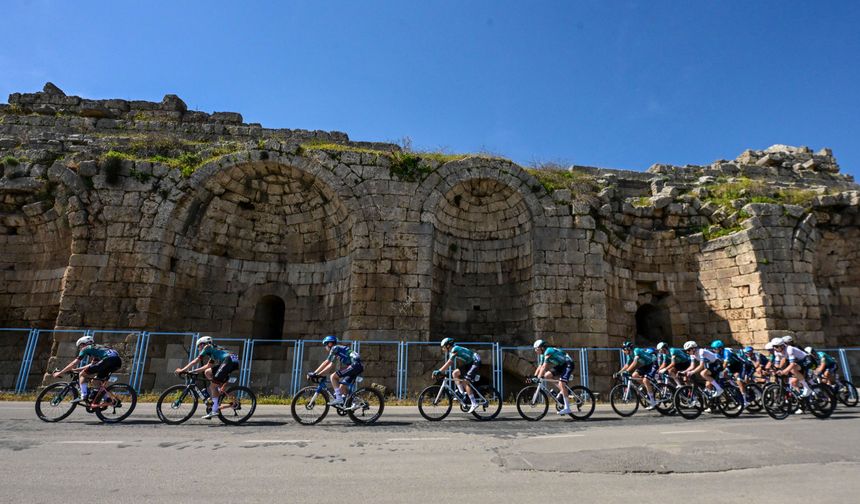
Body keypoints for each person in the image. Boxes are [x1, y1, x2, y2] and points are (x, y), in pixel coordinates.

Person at [175, 336, 241, 419]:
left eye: (198, 346)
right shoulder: (213, 351)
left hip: (229, 360)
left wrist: (182, 370)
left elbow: (196, 360)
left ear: (203, 344)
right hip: (231, 360)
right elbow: (207, 366)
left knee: (213, 385)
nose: (198, 349)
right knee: (208, 372)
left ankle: (214, 410)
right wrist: (192, 371)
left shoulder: (207, 347)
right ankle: (232, 400)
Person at [53, 335, 122, 406]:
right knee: (96, 381)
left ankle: (84, 395)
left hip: (108, 360)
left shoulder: (86, 348)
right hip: (117, 362)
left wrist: (60, 372)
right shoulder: (97, 349)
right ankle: (108, 400)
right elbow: (91, 365)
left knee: (82, 374)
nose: (80, 349)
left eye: (80, 346)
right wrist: (75, 369)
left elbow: (74, 363)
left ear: (83, 344)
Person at [308, 335, 363, 407]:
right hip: (356, 366)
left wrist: (315, 373)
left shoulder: (335, 348)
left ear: (330, 344)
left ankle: (339, 399)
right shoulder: (336, 352)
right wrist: (319, 374)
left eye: (325, 345)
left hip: (355, 365)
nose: (325, 347)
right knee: (342, 388)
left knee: (333, 376)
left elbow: (326, 362)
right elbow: (330, 366)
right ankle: (356, 402)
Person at [434, 338, 481, 414]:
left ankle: (474, 403)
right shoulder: (452, 351)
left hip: (475, 361)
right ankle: (462, 394)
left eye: (443, 347)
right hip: (470, 363)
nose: (443, 349)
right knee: (454, 373)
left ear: (448, 345)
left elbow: (449, 362)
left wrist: (439, 371)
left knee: (465, 382)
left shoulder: (455, 349)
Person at [532, 340, 575, 415]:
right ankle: (562, 391)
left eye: (537, 349)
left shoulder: (548, 351)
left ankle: (567, 408)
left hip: (568, 363)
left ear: (542, 348)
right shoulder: (543, 355)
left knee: (562, 383)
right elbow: (540, 366)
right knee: (546, 376)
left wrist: (538, 377)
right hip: (562, 365)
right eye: (535, 349)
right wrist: (535, 376)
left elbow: (544, 367)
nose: (536, 351)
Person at [618, 341, 658, 410]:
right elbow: (627, 365)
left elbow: (634, 362)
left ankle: (653, 402)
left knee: (645, 380)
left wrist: (627, 371)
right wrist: (619, 372)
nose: (623, 351)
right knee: (634, 375)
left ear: (628, 349)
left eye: (624, 349)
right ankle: (648, 387)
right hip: (645, 365)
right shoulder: (629, 355)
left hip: (652, 363)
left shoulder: (636, 351)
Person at [712, 340, 748, 405]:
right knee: (723, 374)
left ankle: (745, 401)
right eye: (713, 349)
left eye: (715, 348)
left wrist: (720, 370)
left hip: (740, 364)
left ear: (720, 348)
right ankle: (733, 384)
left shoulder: (726, 351)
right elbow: (718, 363)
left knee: (738, 379)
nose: (714, 350)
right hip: (731, 366)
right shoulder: (717, 354)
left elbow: (725, 364)